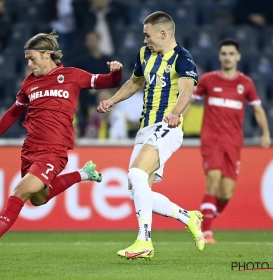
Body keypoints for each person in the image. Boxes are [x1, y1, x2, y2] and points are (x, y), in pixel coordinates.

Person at [0, 30, 123, 260]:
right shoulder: (29, 83)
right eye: (27, 60)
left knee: (20, 191)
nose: (29, 64)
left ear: (47, 54)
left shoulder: (72, 75)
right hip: (30, 149)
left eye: (32, 59)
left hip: (54, 151)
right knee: (38, 199)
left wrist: (117, 72)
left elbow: (107, 82)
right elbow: (14, 112)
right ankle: (84, 174)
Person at [97, 11, 205, 260]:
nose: (145, 40)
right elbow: (135, 83)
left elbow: (187, 93)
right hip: (145, 128)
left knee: (136, 173)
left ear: (163, 33)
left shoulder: (183, 59)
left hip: (168, 126)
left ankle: (144, 241)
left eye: (148, 35)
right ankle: (189, 217)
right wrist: (112, 100)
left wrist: (175, 114)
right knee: (137, 191)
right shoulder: (145, 54)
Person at [187, 38, 271, 243]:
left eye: (231, 54)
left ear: (238, 56)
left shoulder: (246, 83)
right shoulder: (208, 80)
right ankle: (206, 232)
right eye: (224, 53)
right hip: (211, 139)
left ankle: (203, 218)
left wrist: (265, 133)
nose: (227, 57)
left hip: (233, 142)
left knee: (226, 194)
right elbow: (190, 101)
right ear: (219, 56)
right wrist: (177, 124)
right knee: (212, 181)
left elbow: (257, 109)